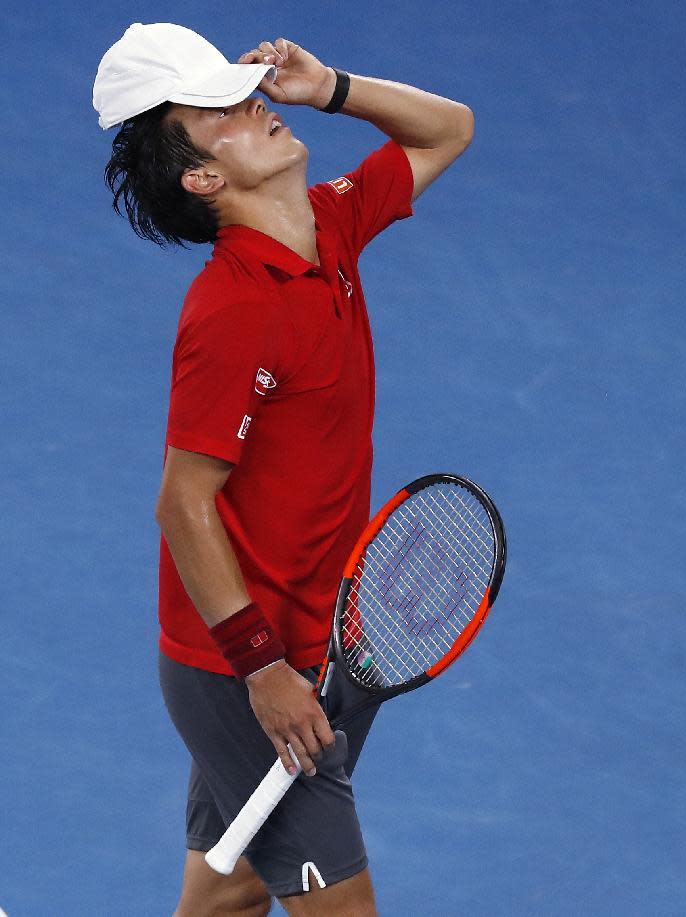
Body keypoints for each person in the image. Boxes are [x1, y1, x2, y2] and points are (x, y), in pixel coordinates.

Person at [94, 22, 473, 917]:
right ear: (203, 178)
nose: (253, 104)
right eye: (220, 110)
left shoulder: (331, 225)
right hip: (245, 666)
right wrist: (261, 670)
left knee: (225, 898)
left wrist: (329, 84)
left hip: (323, 636)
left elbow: (447, 127)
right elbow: (183, 503)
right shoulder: (233, 310)